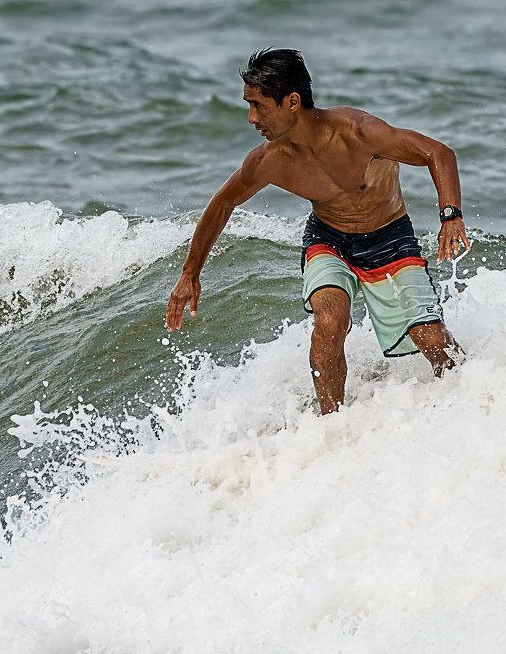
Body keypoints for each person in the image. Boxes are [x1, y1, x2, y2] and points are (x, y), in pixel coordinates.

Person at [164, 47, 469, 413]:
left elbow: (438, 153)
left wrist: (450, 215)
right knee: (329, 319)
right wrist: (190, 273)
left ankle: (470, 398)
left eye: (259, 105)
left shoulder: (359, 133)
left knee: (432, 339)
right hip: (329, 240)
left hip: (390, 239)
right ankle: (331, 427)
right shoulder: (269, 159)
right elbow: (222, 204)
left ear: (292, 101)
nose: (251, 117)